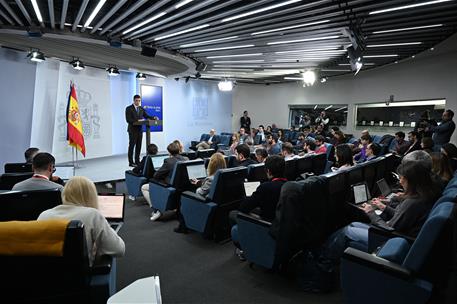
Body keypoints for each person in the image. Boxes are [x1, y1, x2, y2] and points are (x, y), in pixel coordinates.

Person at [323, 160, 440, 262]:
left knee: (346, 231)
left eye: (402, 178)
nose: (400, 182)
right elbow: (402, 217)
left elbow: (388, 229)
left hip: (390, 240)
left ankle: (324, 259)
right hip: (399, 237)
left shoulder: (413, 203)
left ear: (412, 181)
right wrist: (383, 207)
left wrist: (371, 213)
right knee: (354, 224)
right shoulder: (424, 195)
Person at [37, 176, 125, 266]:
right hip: (80, 277)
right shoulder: (92, 215)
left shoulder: (43, 215)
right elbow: (118, 250)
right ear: (91, 195)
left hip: (46, 275)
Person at [147, 142, 189, 221]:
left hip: (170, 186)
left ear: (169, 152)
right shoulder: (185, 159)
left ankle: (156, 210)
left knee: (145, 187)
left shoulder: (168, 161)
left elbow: (156, 176)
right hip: (183, 185)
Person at [238, 155, 287, 222]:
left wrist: (246, 196)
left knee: (233, 214)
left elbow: (243, 207)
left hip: (267, 226)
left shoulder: (265, 187)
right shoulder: (289, 184)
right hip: (281, 223)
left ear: (268, 171)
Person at [125, 94, 157, 167]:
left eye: (139, 101)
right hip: (132, 130)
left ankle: (137, 161)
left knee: (138, 146)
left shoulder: (141, 108)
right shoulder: (129, 108)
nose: (138, 102)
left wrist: (153, 118)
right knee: (132, 146)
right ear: (134, 100)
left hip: (140, 130)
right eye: (136, 101)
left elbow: (146, 116)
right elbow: (128, 120)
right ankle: (131, 162)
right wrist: (138, 120)